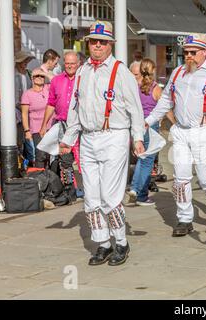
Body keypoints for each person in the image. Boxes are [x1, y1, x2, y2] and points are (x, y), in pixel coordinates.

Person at [60, 21, 145, 266]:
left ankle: (121, 241)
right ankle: (103, 243)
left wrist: (137, 138)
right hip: (88, 137)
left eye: (102, 42)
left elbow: (135, 110)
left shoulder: (121, 71)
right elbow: (75, 108)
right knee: (92, 197)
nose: (97, 46)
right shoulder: (83, 71)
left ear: (110, 44)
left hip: (114, 136)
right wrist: (68, 139)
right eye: (93, 41)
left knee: (109, 195)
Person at [145, 33, 206, 237]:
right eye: (186, 52)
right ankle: (184, 218)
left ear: (204, 52)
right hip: (180, 131)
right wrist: (147, 122)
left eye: (193, 52)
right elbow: (165, 102)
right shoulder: (178, 73)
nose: (188, 56)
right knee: (180, 178)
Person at [124, 58, 168, 206]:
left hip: (136, 126)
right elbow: (165, 109)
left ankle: (137, 191)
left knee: (141, 159)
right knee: (147, 161)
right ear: (153, 70)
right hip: (151, 127)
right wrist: (175, 123)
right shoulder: (156, 88)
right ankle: (139, 192)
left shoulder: (135, 87)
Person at [39, 51, 81, 201]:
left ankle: (91, 189)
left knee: (85, 159)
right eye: (67, 63)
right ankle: (70, 191)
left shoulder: (83, 79)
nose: (70, 66)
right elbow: (51, 104)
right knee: (65, 160)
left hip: (82, 125)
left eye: (73, 63)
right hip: (63, 124)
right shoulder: (56, 80)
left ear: (78, 64)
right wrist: (44, 125)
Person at [20, 68, 51, 168]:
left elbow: (55, 79)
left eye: (41, 76)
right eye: (36, 76)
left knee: (52, 155)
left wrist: (43, 73)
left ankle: (52, 178)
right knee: (41, 155)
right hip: (37, 129)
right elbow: (24, 114)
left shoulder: (48, 88)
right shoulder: (27, 94)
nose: (39, 77)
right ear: (32, 78)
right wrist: (27, 131)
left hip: (51, 127)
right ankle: (40, 177)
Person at [15, 51, 36, 151]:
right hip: (17, 110)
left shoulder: (28, 73)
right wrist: (23, 108)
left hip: (27, 109)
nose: (26, 62)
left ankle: (26, 159)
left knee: (26, 137)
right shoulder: (13, 75)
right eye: (24, 60)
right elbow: (14, 97)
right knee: (18, 137)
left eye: (27, 60)